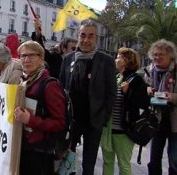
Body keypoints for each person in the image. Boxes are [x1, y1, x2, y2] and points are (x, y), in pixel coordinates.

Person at [59, 19, 117, 175]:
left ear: (96, 38)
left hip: (94, 121)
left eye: (90, 36)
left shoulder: (106, 61)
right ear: (78, 35)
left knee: (88, 163)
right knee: (66, 158)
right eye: (83, 35)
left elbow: (111, 93)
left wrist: (103, 118)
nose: (86, 40)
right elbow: (61, 87)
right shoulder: (68, 59)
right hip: (71, 120)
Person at [14, 40, 66, 175]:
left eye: (31, 55)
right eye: (23, 56)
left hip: (39, 152)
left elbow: (59, 123)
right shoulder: (23, 81)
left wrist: (30, 120)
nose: (26, 60)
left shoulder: (50, 85)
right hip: (22, 147)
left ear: (41, 59)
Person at [101, 47, 150, 175]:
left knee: (124, 164)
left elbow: (144, 104)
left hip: (124, 132)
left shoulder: (136, 80)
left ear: (127, 60)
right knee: (107, 162)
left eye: (118, 57)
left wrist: (129, 92)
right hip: (108, 130)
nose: (115, 59)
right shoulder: (116, 77)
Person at [144, 39, 177, 175]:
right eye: (155, 54)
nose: (157, 57)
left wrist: (173, 97)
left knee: (174, 159)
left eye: (161, 54)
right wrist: (148, 90)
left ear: (171, 55)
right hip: (157, 120)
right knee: (154, 159)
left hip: (174, 122)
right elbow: (146, 87)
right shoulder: (150, 70)